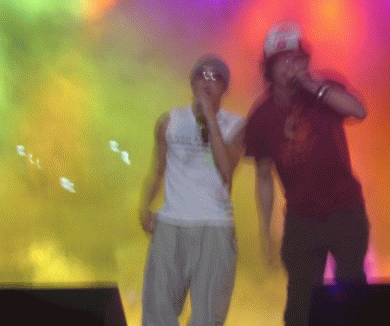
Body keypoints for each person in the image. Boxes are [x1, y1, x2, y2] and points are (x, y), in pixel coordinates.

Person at [244, 21, 370, 325]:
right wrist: (265, 230)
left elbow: (359, 111)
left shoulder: (325, 90)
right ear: (269, 69)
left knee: (352, 292)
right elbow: (263, 177)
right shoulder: (260, 117)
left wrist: (312, 84)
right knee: (301, 302)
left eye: (297, 59)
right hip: (302, 219)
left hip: (345, 209)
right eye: (283, 61)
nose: (291, 66)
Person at [139, 54, 244, 326]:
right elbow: (157, 170)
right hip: (171, 223)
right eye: (201, 75)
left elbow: (226, 168)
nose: (207, 82)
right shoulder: (169, 121)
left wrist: (210, 118)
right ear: (191, 83)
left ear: (225, 87)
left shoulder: (237, 125)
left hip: (214, 226)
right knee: (157, 313)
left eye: (215, 77)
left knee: (208, 318)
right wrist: (144, 205)